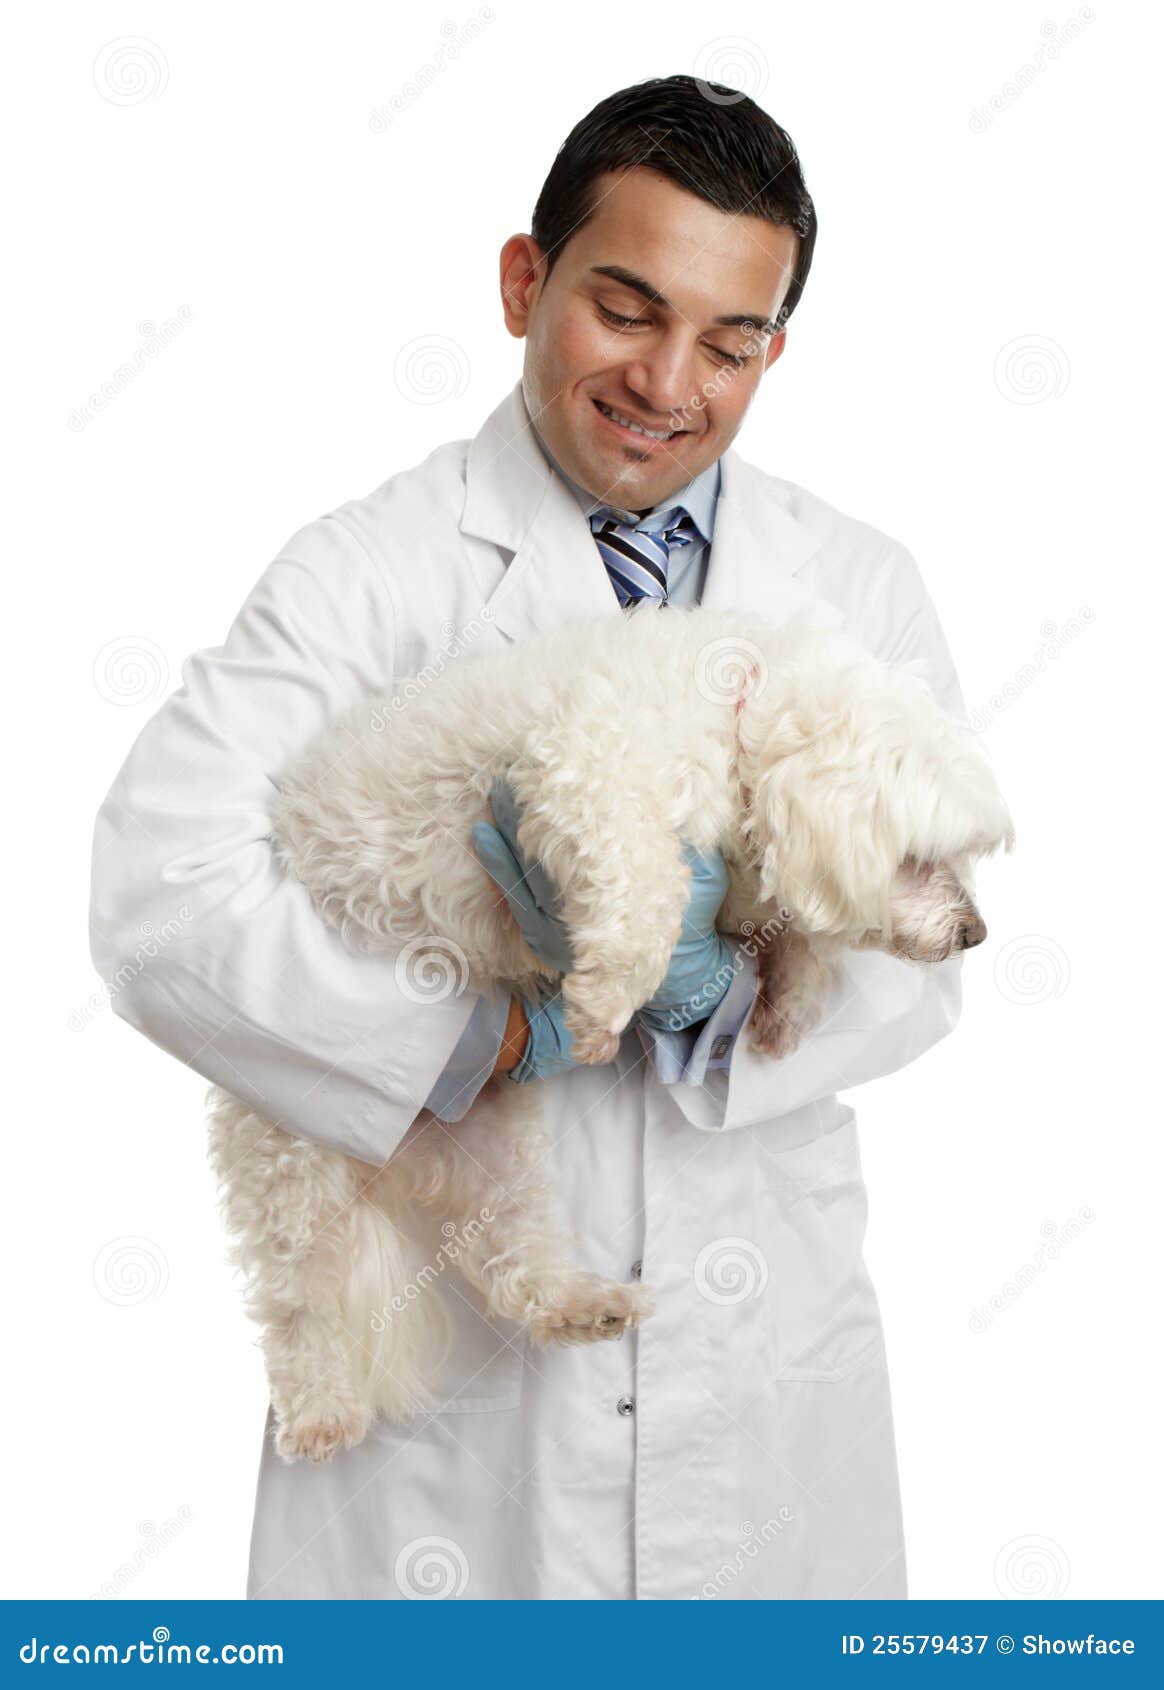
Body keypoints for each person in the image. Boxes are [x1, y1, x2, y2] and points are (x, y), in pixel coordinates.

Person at [88, 74, 969, 1600]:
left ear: (773, 351)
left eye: (730, 341)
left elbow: (926, 956)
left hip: (759, 1371)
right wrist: (477, 1039)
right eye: (625, 309)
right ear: (522, 283)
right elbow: (157, 898)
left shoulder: (855, 587)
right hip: (455, 1415)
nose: (669, 380)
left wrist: (723, 996)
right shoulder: (368, 573)